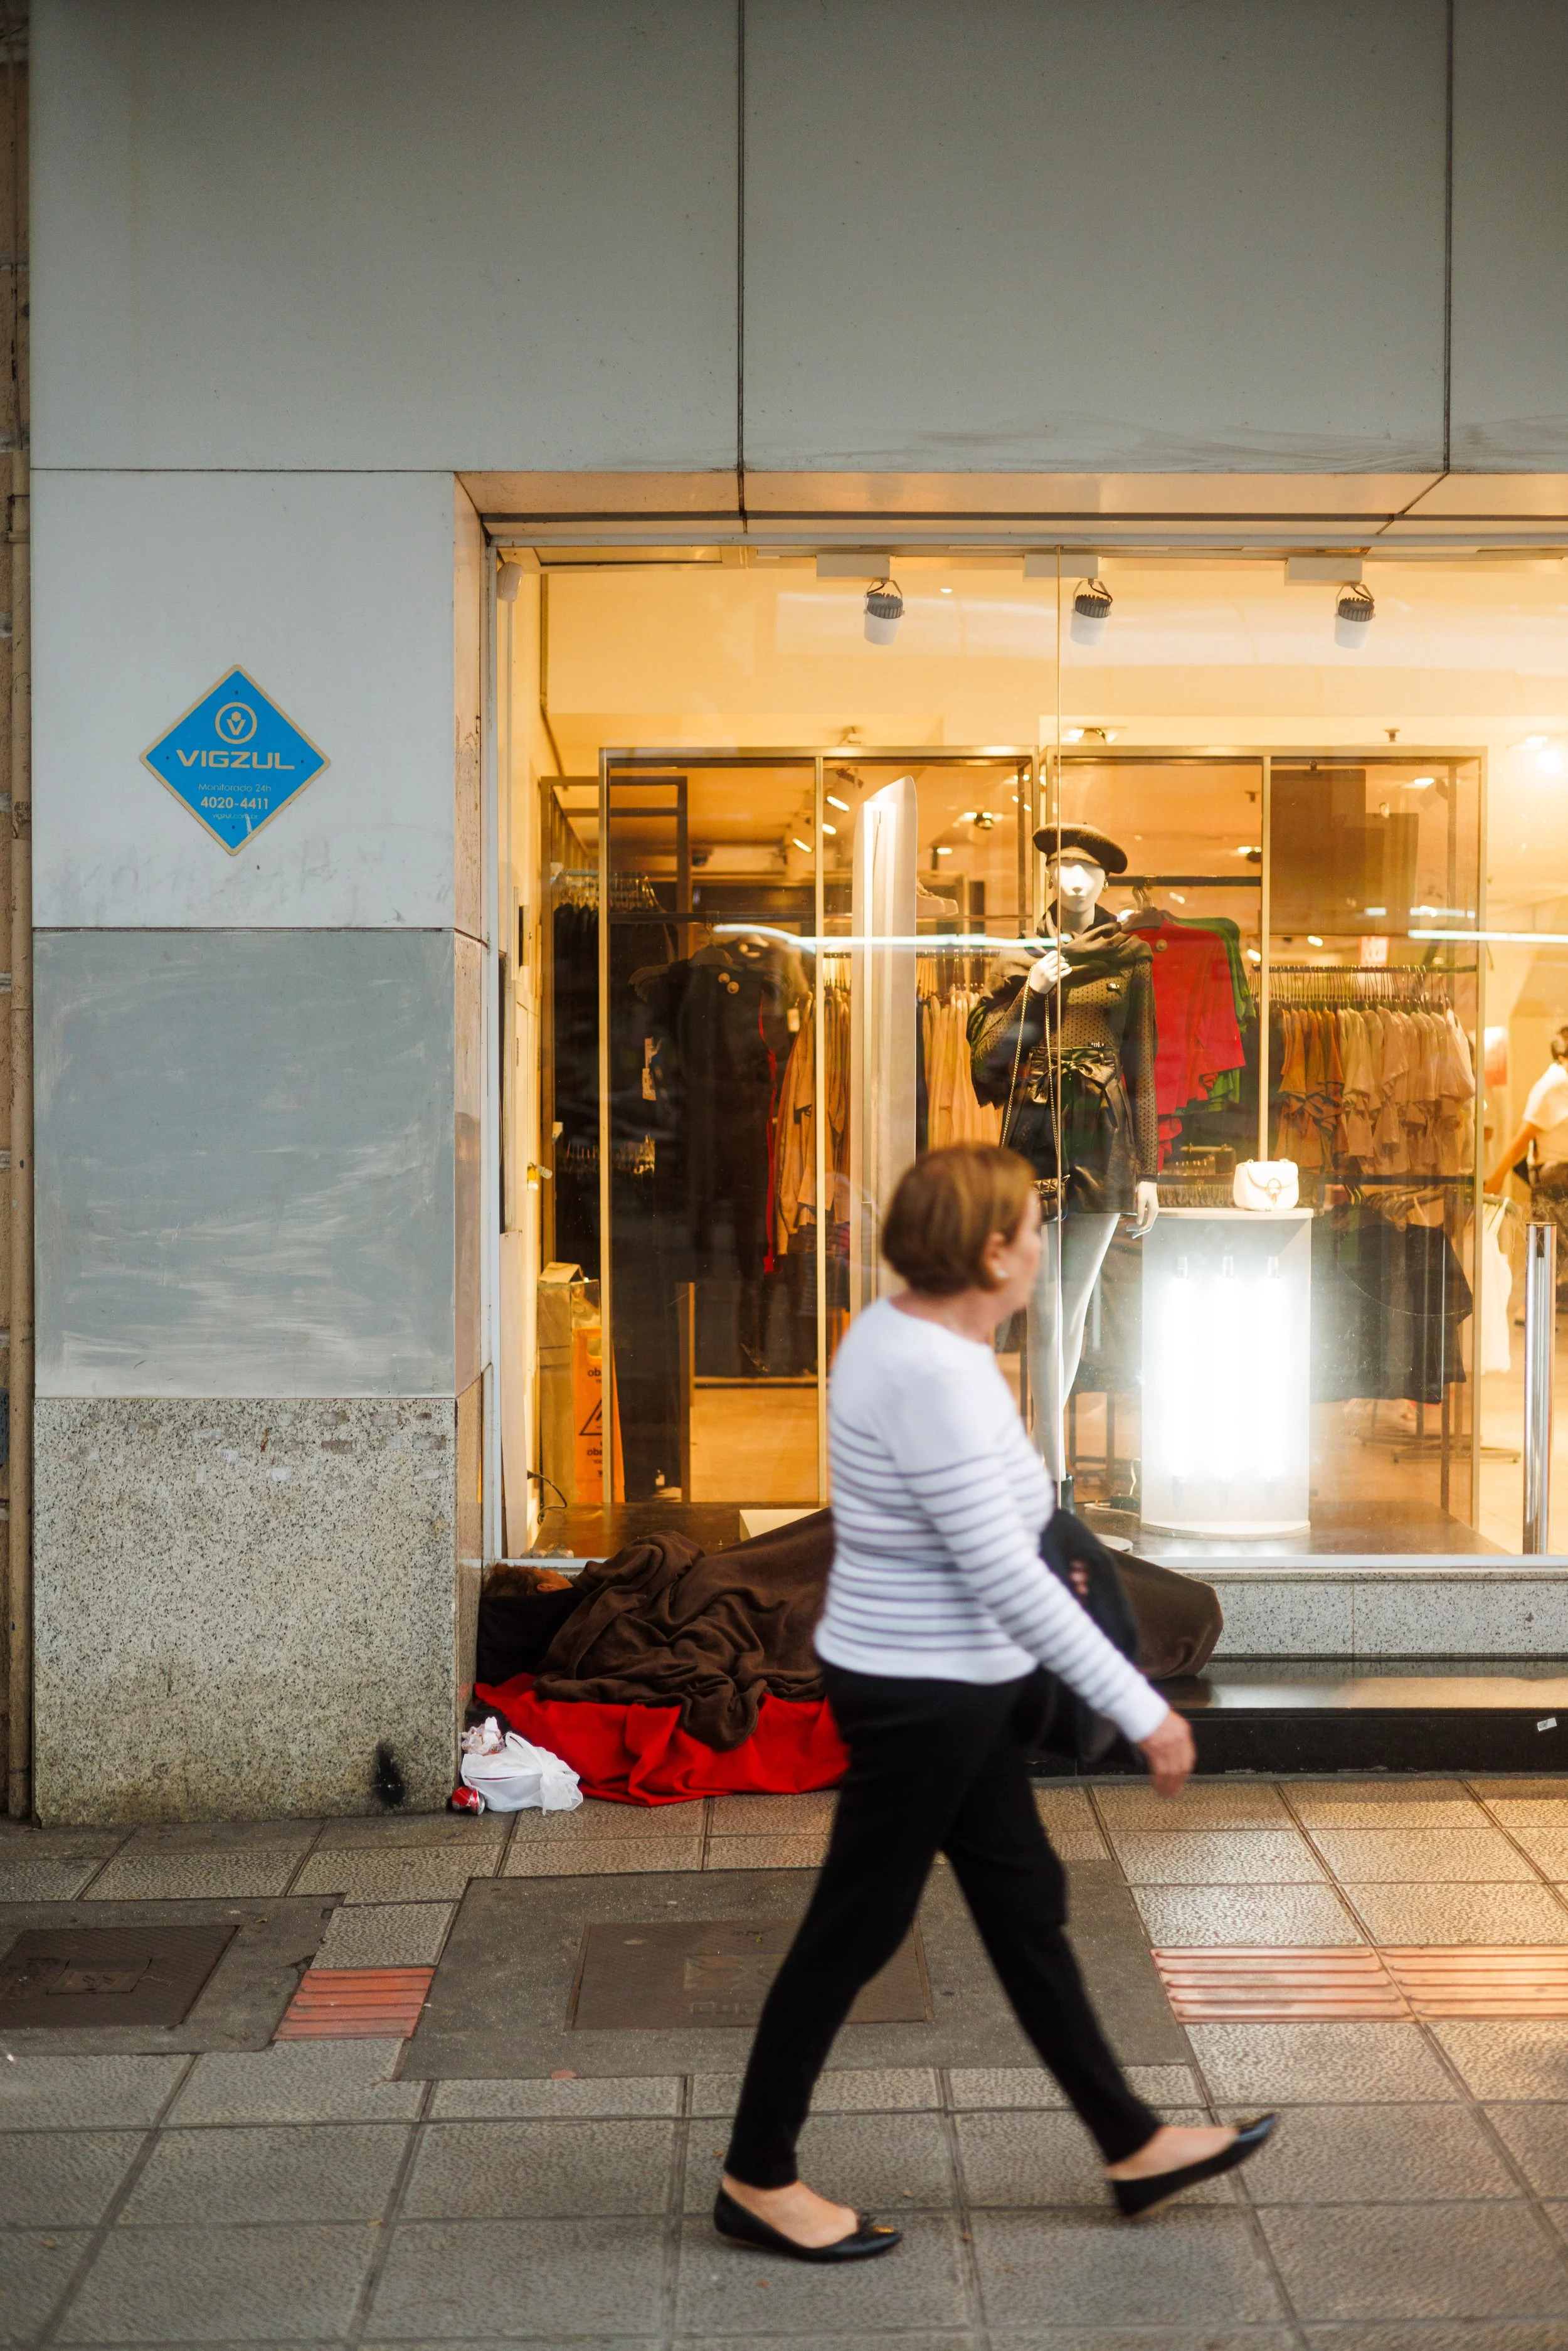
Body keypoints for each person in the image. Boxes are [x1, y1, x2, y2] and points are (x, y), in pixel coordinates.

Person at [713, 1144, 1274, 2263]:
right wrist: (1144, 1706)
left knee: (1026, 1902)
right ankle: (757, 2174)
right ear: (987, 1249)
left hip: (942, 1679)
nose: (1039, 1248)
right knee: (857, 1924)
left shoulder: (909, 1335)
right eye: (1027, 1230)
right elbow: (1006, 1572)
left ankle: (1131, 2140)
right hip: (923, 1689)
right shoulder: (933, 1370)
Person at [1488, 1024, 1568, 1296]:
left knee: (1550, 1248)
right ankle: (1535, 1307)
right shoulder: (1556, 1084)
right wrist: (1497, 1177)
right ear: (1561, 1056)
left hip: (1556, 1177)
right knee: (1548, 1248)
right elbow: (1523, 1138)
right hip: (1556, 1177)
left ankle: (1537, 1306)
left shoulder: (1559, 1082)